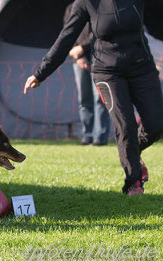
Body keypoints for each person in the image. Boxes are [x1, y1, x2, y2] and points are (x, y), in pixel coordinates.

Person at [23, 0, 163, 196]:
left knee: (156, 125)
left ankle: (132, 152)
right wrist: (40, 73)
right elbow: (66, 37)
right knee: (126, 126)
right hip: (107, 71)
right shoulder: (86, 3)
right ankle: (133, 183)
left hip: (142, 67)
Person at [64, 3, 111, 146]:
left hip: (99, 56)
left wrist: (82, 48)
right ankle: (87, 135)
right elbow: (67, 33)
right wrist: (78, 56)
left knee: (100, 98)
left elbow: (101, 32)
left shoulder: (100, 6)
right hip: (78, 59)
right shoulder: (70, 8)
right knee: (84, 100)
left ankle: (100, 137)